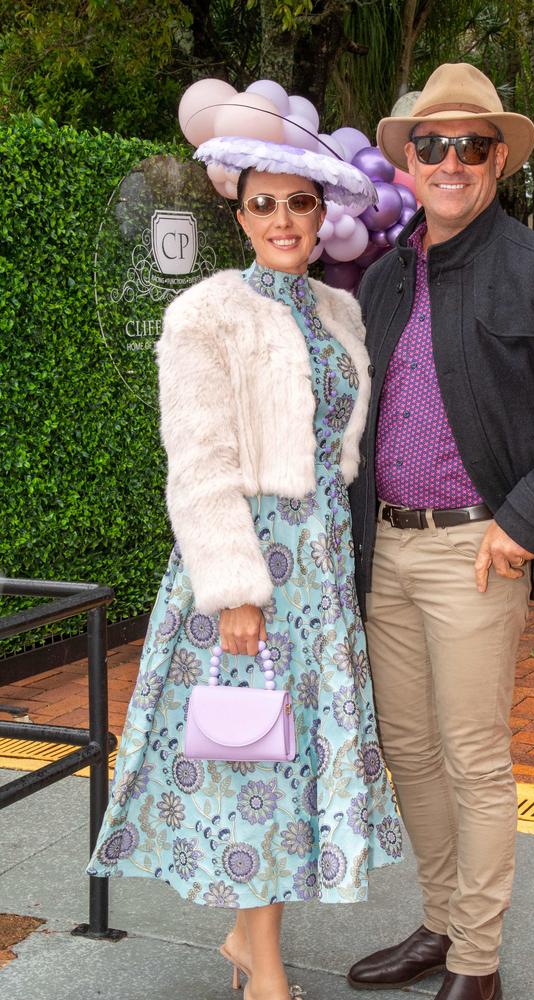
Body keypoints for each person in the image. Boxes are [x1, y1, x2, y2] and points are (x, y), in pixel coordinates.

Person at [347, 63, 534, 1000]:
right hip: (386, 547)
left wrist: (523, 520)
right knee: (409, 748)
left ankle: (477, 964)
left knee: (473, 755)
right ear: (409, 163)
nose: (449, 160)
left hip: (477, 550)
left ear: (499, 161)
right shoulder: (387, 278)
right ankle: (442, 922)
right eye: (431, 145)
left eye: (471, 145)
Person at [87, 134, 403, 1000]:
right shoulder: (206, 312)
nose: (283, 220)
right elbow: (196, 460)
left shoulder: (339, 313)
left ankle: (244, 938)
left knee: (292, 759)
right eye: (263, 204)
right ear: (239, 216)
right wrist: (233, 588)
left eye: (299, 203)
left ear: (321, 213)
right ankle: (264, 972)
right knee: (253, 763)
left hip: (320, 570)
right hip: (250, 570)